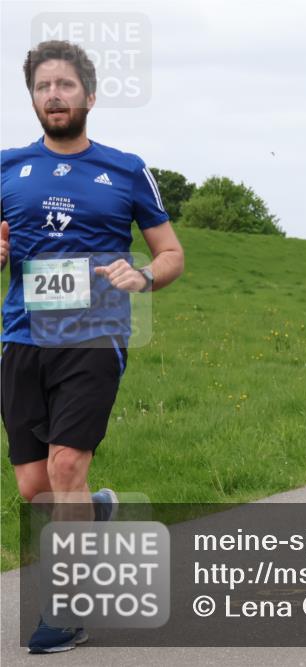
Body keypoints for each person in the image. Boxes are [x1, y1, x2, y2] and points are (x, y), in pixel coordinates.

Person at [1, 41, 184, 654]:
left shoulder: (126, 168)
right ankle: (97, 510)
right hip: (24, 335)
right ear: (32, 97)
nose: (54, 95)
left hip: (94, 333)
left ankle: (69, 606)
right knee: (34, 487)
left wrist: (145, 275)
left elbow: (171, 253)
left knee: (65, 466)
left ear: (90, 95)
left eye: (66, 85)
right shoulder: (6, 167)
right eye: (43, 86)